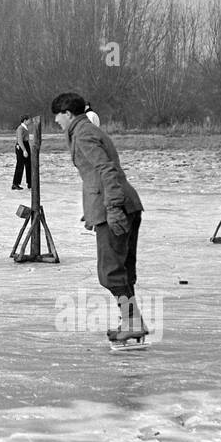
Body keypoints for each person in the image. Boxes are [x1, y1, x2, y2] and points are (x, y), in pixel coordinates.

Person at [52, 91, 147, 345]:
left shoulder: (83, 134)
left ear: (68, 114)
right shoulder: (87, 130)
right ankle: (130, 321)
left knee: (111, 272)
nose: (56, 122)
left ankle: (133, 322)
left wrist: (112, 207)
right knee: (121, 270)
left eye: (58, 116)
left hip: (117, 207)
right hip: (120, 204)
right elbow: (96, 176)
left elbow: (106, 169)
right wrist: (93, 208)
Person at [12, 114, 31, 190]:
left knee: (29, 164)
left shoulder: (26, 128)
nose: (30, 121)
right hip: (21, 146)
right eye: (29, 120)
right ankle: (15, 183)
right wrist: (24, 150)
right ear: (25, 120)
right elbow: (20, 140)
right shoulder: (20, 128)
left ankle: (30, 182)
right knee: (20, 165)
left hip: (26, 144)